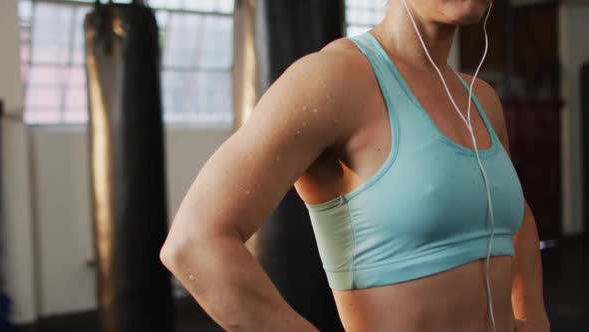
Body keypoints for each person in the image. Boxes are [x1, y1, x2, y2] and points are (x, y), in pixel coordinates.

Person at [160, 0, 550, 331]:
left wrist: (533, 316)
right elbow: (194, 242)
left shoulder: (480, 98)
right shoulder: (333, 79)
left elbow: (518, 220)